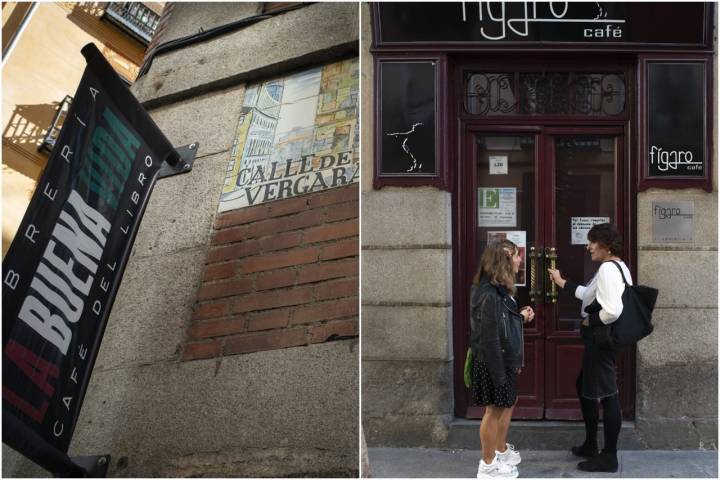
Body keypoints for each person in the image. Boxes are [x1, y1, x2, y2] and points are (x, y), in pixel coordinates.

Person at [547, 223, 631, 473]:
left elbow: (613, 309)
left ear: (606, 245)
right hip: (604, 340)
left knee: (607, 395)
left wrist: (589, 320)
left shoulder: (607, 268)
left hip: (601, 340)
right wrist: (562, 282)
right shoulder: (618, 267)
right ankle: (591, 443)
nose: (588, 247)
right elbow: (589, 295)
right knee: (585, 386)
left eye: (592, 242)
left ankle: (609, 456)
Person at [470, 239, 534, 478]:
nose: (520, 260)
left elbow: (500, 326)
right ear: (504, 261)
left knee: (502, 407)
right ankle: (487, 465)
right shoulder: (489, 294)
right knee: (493, 411)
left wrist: (520, 317)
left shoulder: (498, 291)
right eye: (516, 256)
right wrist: (499, 373)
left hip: (502, 359)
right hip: (493, 361)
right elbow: (489, 338)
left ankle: (497, 455)